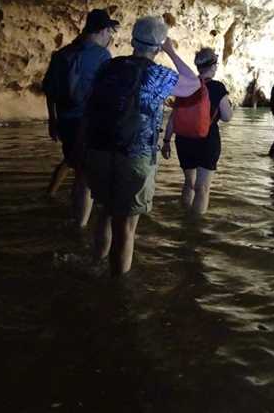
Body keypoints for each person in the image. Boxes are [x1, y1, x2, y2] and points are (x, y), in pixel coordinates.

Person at [84, 16, 200, 276]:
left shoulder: (109, 66)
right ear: (157, 46)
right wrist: (170, 50)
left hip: (100, 149)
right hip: (135, 154)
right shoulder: (157, 74)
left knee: (104, 211)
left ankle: (95, 265)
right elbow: (193, 84)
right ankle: (117, 290)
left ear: (133, 40)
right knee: (125, 225)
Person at [42, 9, 118, 226]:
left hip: (65, 121)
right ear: (103, 31)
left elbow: (50, 90)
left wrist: (52, 120)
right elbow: (108, 94)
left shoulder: (61, 54)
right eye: (109, 31)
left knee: (76, 168)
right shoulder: (102, 56)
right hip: (90, 124)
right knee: (85, 178)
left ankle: (74, 218)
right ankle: (79, 228)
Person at [161, 48, 233, 215]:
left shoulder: (187, 85)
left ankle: (184, 216)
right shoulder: (217, 87)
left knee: (189, 183)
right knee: (202, 188)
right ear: (213, 66)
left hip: (184, 140)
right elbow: (227, 117)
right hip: (207, 140)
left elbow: (174, 116)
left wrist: (166, 141)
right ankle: (195, 229)